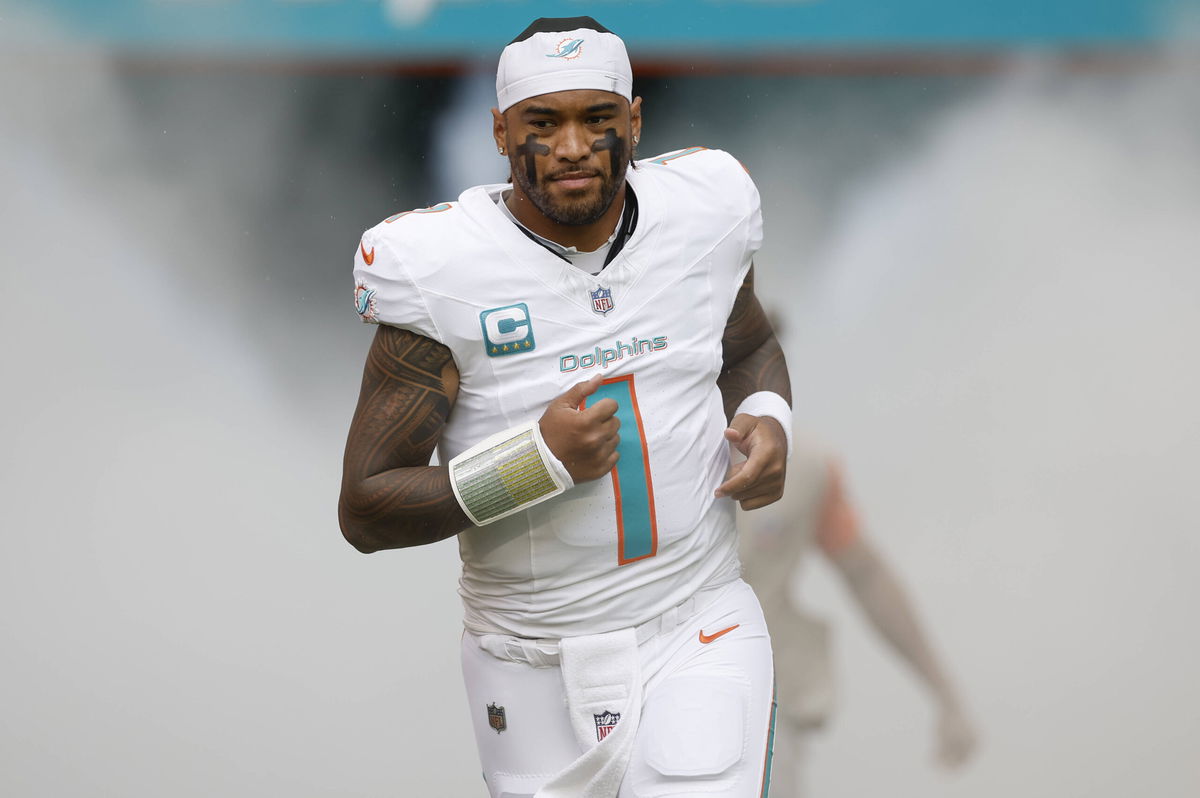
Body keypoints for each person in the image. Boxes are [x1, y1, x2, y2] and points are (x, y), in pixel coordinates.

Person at [339, 16, 792, 798]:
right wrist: (534, 464)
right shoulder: (438, 266)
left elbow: (746, 341)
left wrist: (767, 415)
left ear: (637, 121)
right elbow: (367, 510)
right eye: (544, 123)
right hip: (528, 656)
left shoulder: (704, 210)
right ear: (500, 131)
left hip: (698, 622)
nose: (574, 146)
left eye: (598, 119)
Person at [739, 440, 979, 797]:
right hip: (640, 694)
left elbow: (866, 574)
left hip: (764, 708)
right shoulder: (630, 447)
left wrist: (944, 694)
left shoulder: (804, 468)